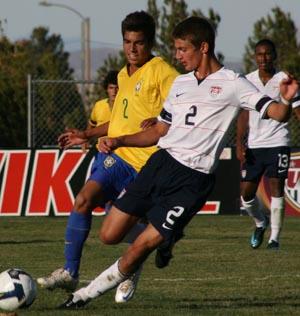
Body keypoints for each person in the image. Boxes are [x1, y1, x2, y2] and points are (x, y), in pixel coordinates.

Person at [57, 17, 298, 309]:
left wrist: (285, 101)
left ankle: (82, 296)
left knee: (141, 245)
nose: (177, 55)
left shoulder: (234, 83)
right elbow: (159, 131)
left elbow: (277, 113)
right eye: (176, 49)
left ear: (204, 47)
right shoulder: (181, 84)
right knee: (109, 234)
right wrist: (119, 140)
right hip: (160, 164)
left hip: (193, 181)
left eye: (183, 49)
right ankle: (159, 245)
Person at [37, 10, 178, 304]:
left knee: (114, 230)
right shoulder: (124, 73)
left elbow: (186, 103)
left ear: (150, 42)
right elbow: (119, 116)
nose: (132, 48)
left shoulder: (162, 71)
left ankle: (139, 257)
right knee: (83, 199)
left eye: (138, 42)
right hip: (118, 157)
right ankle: (70, 271)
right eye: (127, 42)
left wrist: (161, 119)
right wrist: (87, 135)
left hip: (148, 163)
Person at [236, 39, 300, 250]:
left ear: (274, 55)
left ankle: (275, 239)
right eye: (259, 54)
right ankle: (260, 223)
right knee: (246, 194)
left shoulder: (285, 80)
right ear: (255, 57)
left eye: (267, 54)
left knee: (277, 188)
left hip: (278, 142)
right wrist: (239, 142)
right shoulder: (247, 80)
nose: (263, 58)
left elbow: (297, 110)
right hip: (254, 145)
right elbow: (244, 114)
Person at [81, 70, 119, 153]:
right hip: (102, 150)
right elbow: (91, 124)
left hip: (121, 151)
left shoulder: (126, 106)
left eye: (117, 88)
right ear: (106, 89)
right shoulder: (99, 106)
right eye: (111, 88)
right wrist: (86, 139)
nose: (114, 91)